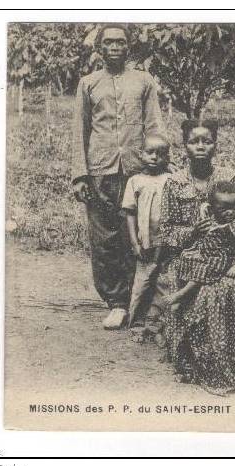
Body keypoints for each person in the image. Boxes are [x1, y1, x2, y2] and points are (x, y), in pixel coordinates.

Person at [158, 118, 235, 395]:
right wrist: (193, 232)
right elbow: (168, 232)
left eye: (207, 141)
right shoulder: (175, 183)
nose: (201, 146)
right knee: (205, 288)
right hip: (191, 256)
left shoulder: (230, 180)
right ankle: (199, 360)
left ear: (215, 145)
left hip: (230, 256)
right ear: (184, 146)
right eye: (194, 141)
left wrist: (232, 231)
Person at [71, 24, 165, 329]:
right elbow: (79, 132)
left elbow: (155, 126)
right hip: (101, 171)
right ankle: (116, 302)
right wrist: (80, 175)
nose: (115, 47)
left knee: (136, 236)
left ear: (129, 47)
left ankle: (141, 300)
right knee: (104, 239)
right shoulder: (89, 83)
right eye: (108, 42)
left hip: (138, 171)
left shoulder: (143, 81)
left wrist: (163, 164)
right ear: (99, 48)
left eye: (120, 42)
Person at [162, 181, 235, 307]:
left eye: (233, 207)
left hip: (222, 256)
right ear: (212, 207)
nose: (230, 212)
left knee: (203, 268)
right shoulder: (213, 217)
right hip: (206, 251)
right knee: (185, 257)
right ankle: (184, 298)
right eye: (223, 209)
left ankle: (182, 294)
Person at [121, 135, 171, 340]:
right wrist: (134, 242)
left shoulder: (170, 180)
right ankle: (137, 324)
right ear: (141, 154)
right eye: (149, 152)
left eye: (160, 154)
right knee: (142, 282)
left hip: (166, 242)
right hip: (145, 242)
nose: (154, 157)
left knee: (163, 282)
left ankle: (157, 324)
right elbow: (130, 213)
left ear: (167, 157)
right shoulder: (135, 181)